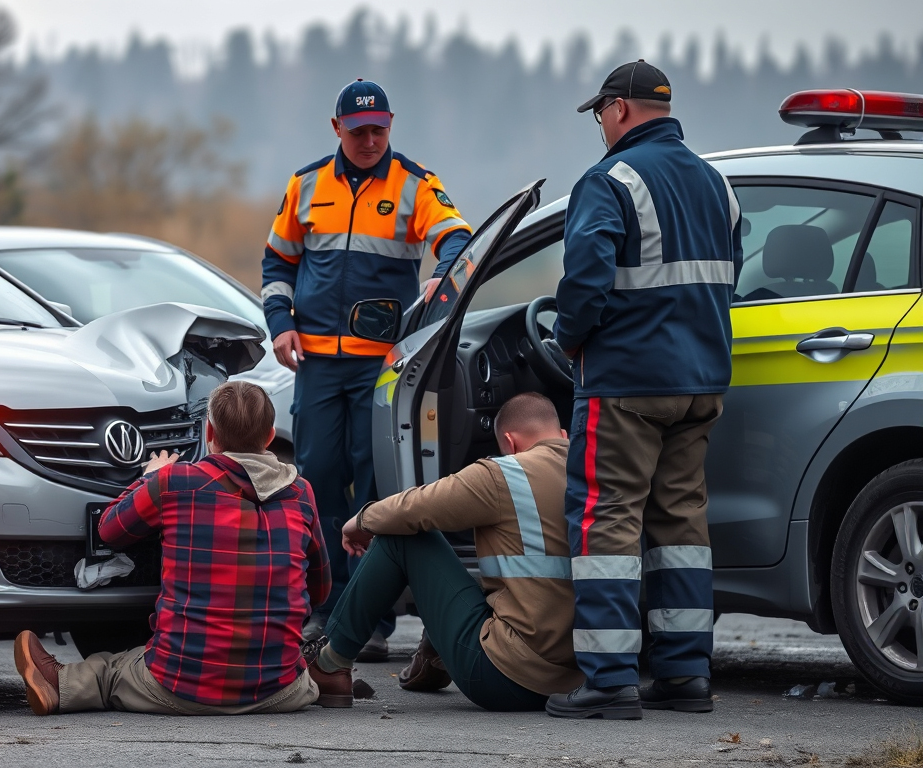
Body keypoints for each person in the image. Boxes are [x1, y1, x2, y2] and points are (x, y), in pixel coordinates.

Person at [546, 60, 742, 720]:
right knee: (681, 523)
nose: (600, 125)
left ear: (620, 109)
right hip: (702, 381)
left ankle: (609, 678)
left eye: (599, 113)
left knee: (608, 520)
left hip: (626, 381)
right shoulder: (717, 183)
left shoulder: (609, 180)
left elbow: (587, 279)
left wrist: (569, 338)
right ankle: (686, 675)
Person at [261, 78, 475, 660]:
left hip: (381, 368)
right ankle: (326, 613)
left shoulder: (415, 183)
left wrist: (443, 271)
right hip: (317, 365)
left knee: (376, 491)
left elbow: (457, 237)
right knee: (317, 482)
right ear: (337, 130)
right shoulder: (305, 185)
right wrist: (279, 322)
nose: (370, 139)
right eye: (358, 131)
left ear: (391, 124)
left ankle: (372, 620)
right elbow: (278, 261)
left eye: (379, 129)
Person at [13, 381, 332, 716]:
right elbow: (320, 590)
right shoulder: (301, 493)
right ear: (269, 436)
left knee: (113, 669)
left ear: (210, 432)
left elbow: (109, 529)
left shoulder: (176, 482)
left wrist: (150, 476)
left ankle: (60, 685)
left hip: (184, 686)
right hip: (281, 690)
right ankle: (328, 679)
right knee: (297, 671)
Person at [306, 393, 585, 711]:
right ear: (562, 435)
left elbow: (413, 507)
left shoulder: (505, 474)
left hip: (509, 679)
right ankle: (433, 655)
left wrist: (361, 521)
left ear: (510, 443)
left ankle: (329, 664)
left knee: (403, 537)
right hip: (581, 682)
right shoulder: (598, 473)